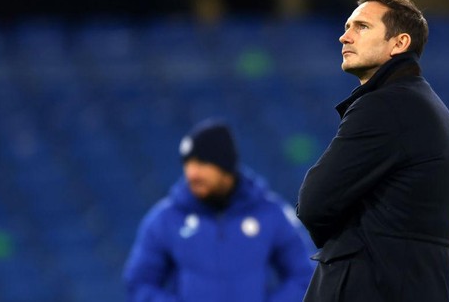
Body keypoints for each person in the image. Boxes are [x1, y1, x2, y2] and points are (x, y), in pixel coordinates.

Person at [296, 0, 449, 301]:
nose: (344, 37)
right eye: (347, 26)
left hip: (371, 285)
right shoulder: (422, 104)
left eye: (361, 27)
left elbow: (313, 203)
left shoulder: (385, 106)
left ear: (399, 43)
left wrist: (337, 236)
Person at [124, 119, 313, 302]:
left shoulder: (271, 213)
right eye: (187, 164)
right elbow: (139, 284)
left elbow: (306, 275)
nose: (192, 173)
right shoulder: (165, 218)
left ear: (226, 167)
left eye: (202, 163)